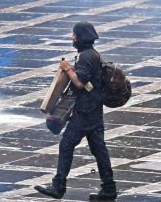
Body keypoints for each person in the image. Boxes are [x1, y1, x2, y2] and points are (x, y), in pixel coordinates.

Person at [35, 22, 116, 201]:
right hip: (94, 111)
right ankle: (109, 189)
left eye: (74, 34)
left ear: (81, 37)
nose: (72, 38)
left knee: (66, 146)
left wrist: (68, 68)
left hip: (84, 113)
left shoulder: (87, 56)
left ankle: (58, 187)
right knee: (99, 150)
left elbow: (80, 83)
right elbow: (88, 84)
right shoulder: (91, 54)